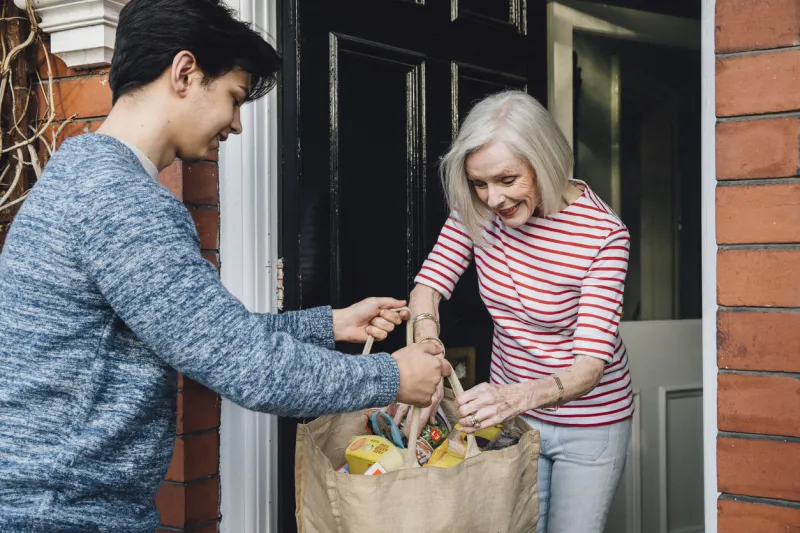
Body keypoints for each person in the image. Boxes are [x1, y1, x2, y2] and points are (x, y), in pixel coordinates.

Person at [0, 0, 450, 531]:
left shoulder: (84, 172)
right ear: (184, 72)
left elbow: (199, 335)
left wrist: (328, 325)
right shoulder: (121, 199)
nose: (236, 125)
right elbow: (246, 366)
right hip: (66, 515)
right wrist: (391, 375)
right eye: (234, 98)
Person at [397, 90, 633, 533]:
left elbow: (590, 367)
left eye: (508, 179)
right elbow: (427, 289)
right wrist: (427, 354)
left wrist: (517, 396)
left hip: (589, 422)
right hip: (512, 418)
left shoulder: (603, 235)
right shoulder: (476, 209)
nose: (493, 198)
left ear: (544, 160)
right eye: (479, 183)